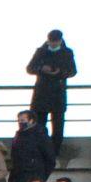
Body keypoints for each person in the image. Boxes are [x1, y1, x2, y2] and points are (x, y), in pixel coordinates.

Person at [26, 30, 76, 162]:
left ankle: (54, 152)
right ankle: (40, 150)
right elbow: (30, 68)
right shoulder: (40, 51)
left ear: (60, 40)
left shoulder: (67, 52)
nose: (53, 44)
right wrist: (41, 68)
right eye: (51, 41)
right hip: (41, 93)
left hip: (58, 93)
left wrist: (60, 72)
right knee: (39, 125)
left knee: (58, 126)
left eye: (55, 42)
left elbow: (73, 71)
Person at [8, 110, 53, 182]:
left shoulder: (41, 135)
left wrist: (41, 179)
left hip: (33, 181)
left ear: (31, 120)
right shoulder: (18, 136)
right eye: (19, 120)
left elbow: (50, 158)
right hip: (17, 179)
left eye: (23, 120)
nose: (20, 122)